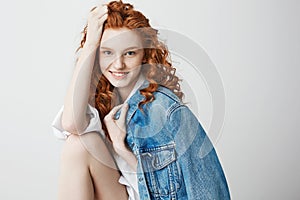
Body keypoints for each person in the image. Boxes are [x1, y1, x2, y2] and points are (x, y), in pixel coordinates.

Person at [52, 1, 231, 199]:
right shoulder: (102, 98)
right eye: (107, 52)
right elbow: (72, 124)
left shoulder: (165, 110)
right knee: (78, 144)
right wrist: (90, 44)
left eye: (130, 53)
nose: (118, 64)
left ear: (144, 55)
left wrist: (122, 148)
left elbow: (211, 191)